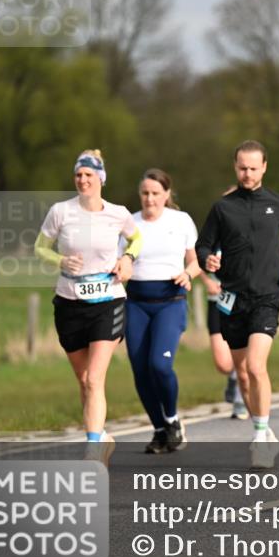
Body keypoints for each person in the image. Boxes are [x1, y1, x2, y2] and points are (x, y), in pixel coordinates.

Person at [196, 140, 279, 469]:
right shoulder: (222, 208)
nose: (247, 173)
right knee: (242, 375)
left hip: (267, 297)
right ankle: (264, 427)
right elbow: (203, 245)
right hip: (232, 299)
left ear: (264, 167)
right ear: (235, 167)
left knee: (257, 366)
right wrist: (208, 261)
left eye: (253, 168)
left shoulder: (278, 204)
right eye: (242, 168)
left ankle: (259, 436)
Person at [35, 151, 142, 464]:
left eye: (89, 175)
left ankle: (93, 450)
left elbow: (136, 240)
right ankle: (101, 435)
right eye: (78, 175)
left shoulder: (118, 213)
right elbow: (40, 248)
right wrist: (61, 260)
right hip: (69, 301)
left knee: (95, 379)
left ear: (101, 179)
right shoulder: (60, 212)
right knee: (84, 381)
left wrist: (127, 259)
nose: (82, 180)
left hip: (109, 300)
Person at [126, 170, 203, 454]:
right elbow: (120, 262)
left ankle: (172, 420)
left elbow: (196, 261)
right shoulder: (129, 224)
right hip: (136, 303)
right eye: (145, 193)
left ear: (167, 195)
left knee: (160, 364)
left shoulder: (180, 221)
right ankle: (160, 430)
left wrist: (188, 274)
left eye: (156, 193)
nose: (150, 198)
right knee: (140, 371)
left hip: (170, 301)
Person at [201, 185, 248, 420]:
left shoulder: (249, 233)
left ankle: (241, 398)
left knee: (246, 354)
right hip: (217, 300)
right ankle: (232, 378)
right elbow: (194, 256)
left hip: (245, 301)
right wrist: (206, 279)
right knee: (223, 362)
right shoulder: (213, 232)